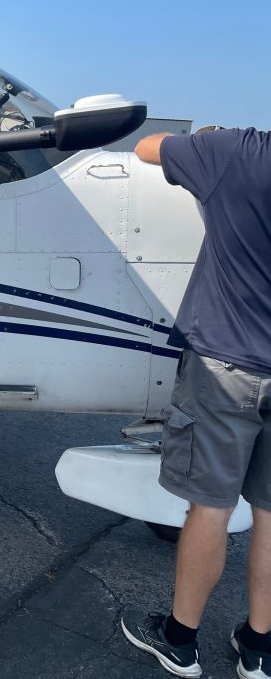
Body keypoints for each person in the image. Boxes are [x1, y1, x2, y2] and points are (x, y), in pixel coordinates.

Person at [120, 127, 271, 678]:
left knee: (210, 507)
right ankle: (260, 649)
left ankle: (180, 640)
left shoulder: (235, 152)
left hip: (227, 367)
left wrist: (207, 135)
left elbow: (146, 147)